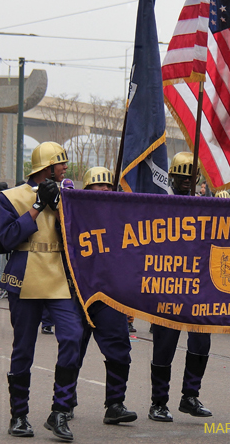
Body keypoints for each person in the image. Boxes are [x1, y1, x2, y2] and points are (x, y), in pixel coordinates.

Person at [0, 141, 83, 440]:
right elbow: (7, 239)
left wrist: (64, 206)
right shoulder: (11, 197)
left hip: (59, 279)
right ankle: (19, 416)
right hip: (23, 279)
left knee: (73, 337)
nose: (66, 168)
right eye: (61, 163)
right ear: (47, 167)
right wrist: (38, 206)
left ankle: (60, 411)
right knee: (23, 348)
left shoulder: (70, 196)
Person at [68, 167, 137, 424]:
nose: (106, 188)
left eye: (109, 185)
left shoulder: (122, 216)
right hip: (78, 293)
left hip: (109, 294)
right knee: (72, 350)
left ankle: (115, 404)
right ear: (87, 190)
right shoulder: (72, 214)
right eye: (100, 185)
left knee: (120, 349)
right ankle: (65, 401)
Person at [149, 152, 213, 423]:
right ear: (171, 176)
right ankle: (158, 402)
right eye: (181, 175)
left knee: (201, 342)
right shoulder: (161, 203)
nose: (186, 181)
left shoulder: (207, 206)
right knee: (165, 346)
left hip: (199, 287)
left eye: (191, 176)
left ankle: (190, 396)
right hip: (170, 286)